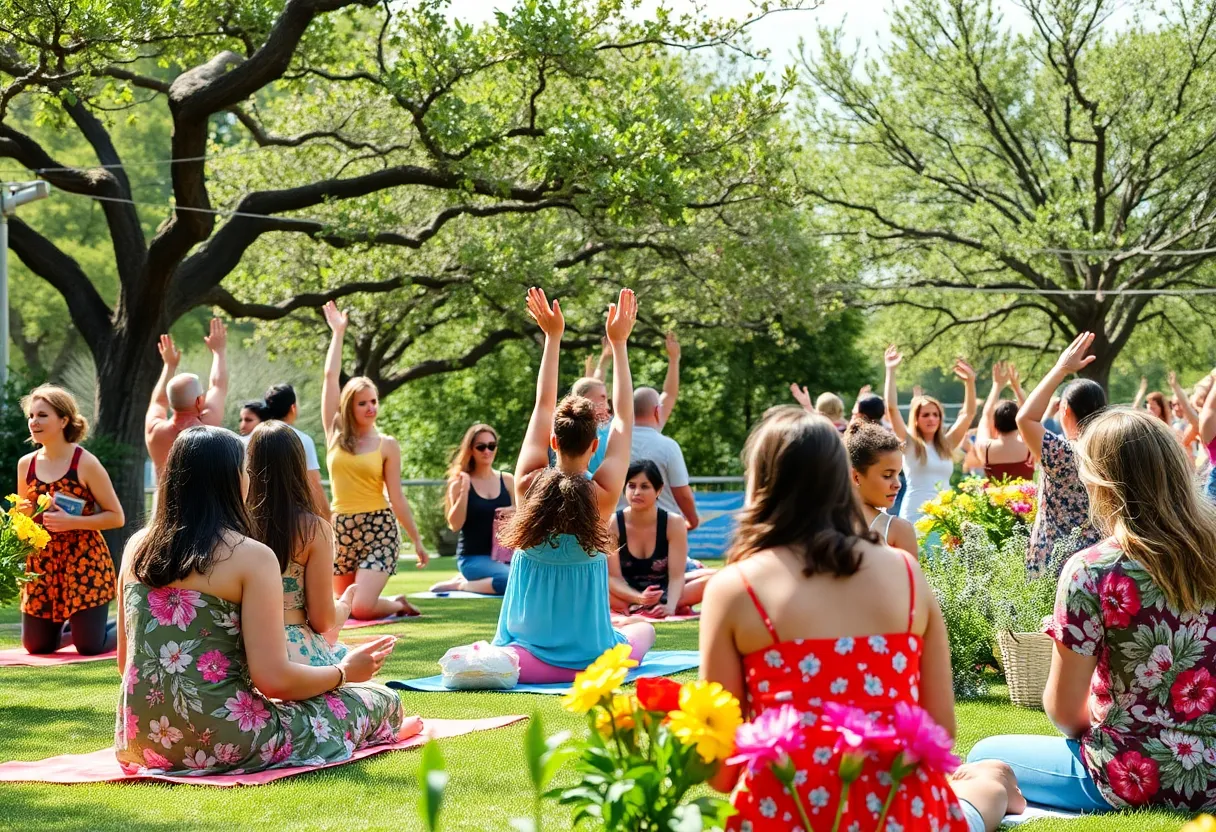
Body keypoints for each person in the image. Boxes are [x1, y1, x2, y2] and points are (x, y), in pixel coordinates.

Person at [700, 406, 1003, 832]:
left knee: (984, 791)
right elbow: (940, 732)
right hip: (901, 812)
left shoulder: (735, 589)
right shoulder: (906, 572)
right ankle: (993, 779)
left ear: (761, 482)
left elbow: (720, 772)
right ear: (845, 479)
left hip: (784, 816)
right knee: (982, 795)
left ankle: (992, 778)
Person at [115, 425, 406, 776]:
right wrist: (345, 673)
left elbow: (124, 664)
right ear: (234, 479)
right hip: (229, 739)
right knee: (381, 701)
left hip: (141, 740)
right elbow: (274, 680)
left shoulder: (136, 548)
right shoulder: (250, 555)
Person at [969, 408, 1216, 814]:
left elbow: (1066, 713)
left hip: (1134, 774)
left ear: (1100, 479)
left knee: (984, 752)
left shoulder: (1094, 569)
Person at [492, 287, 655, 683]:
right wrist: (619, 344)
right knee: (644, 630)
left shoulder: (528, 484)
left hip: (521, 657)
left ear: (553, 441)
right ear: (594, 445)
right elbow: (623, 421)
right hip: (592, 662)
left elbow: (542, 405)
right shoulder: (604, 496)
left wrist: (552, 338)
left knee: (495, 659)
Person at [321, 302, 429, 620]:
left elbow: (396, 497)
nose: (371, 408)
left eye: (374, 402)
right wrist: (338, 332)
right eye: (363, 403)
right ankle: (392, 600)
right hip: (341, 528)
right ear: (348, 407)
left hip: (378, 527)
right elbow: (329, 376)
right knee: (336, 609)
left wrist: (418, 541)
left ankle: (397, 605)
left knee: (362, 608)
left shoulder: (387, 445)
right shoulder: (335, 433)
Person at [18, 386, 125, 655]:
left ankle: (128, 626)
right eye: (31, 415)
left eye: (42, 415)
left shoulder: (85, 463)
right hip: (42, 564)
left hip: (84, 562)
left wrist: (72, 522)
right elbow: (23, 517)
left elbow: (117, 517)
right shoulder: (25, 464)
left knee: (90, 646)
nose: (34, 421)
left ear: (64, 420)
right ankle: (78, 629)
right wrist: (23, 517)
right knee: (36, 647)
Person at [246, 421, 350, 666]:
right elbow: (322, 620)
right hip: (293, 653)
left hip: (240, 649)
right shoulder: (314, 530)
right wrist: (345, 606)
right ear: (298, 466)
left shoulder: (236, 523)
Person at [1015, 333, 1107, 576]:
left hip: (1054, 561)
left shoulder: (1062, 454)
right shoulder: (1113, 451)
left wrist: (1061, 369)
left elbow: (1024, 418)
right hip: (1103, 560)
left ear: (1064, 410)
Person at [606, 460, 715, 616]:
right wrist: (639, 598)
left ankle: (656, 606)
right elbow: (613, 578)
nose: (636, 492)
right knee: (592, 585)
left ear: (658, 490)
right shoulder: (613, 523)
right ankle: (641, 606)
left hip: (665, 589)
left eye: (645, 486)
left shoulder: (674, 523)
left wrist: (670, 607)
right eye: (631, 485)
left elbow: (676, 576)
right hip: (626, 593)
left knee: (717, 580)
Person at [883, 346, 977, 524]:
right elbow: (892, 408)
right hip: (915, 515)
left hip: (945, 516)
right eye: (925, 415)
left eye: (936, 415)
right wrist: (890, 370)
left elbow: (968, 414)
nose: (932, 419)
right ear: (916, 419)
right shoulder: (909, 443)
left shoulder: (947, 444)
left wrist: (970, 382)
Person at [431, 424, 515, 596]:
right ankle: (460, 585)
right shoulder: (458, 483)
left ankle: (470, 582)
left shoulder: (507, 480)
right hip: (473, 559)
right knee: (509, 581)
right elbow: (455, 525)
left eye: (492, 446)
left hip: (506, 557)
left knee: (528, 579)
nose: (487, 451)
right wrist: (464, 491)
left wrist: (513, 510)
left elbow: (522, 516)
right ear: (471, 450)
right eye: (481, 447)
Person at [145, 319, 229, 477]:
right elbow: (218, 385)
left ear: (171, 403)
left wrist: (169, 365)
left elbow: (158, 401)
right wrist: (219, 351)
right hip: (203, 502)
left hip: (165, 502)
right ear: (199, 401)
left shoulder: (155, 432)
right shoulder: (210, 424)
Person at [624, 387, 699, 529]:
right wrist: (692, 520)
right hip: (662, 529)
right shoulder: (668, 446)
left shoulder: (616, 444)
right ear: (657, 411)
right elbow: (682, 493)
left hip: (624, 528)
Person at [845, 421, 917, 556]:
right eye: (887, 475)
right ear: (856, 477)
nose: (897, 484)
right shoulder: (897, 530)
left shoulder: (821, 521)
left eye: (898, 474)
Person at [262, 383, 330, 517]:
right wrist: (327, 518)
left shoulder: (252, 439)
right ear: (293, 408)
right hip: (294, 517)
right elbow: (313, 483)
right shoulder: (302, 440)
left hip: (260, 516)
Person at [975, 362, 1034, 482]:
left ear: (995, 423)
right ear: (1018, 422)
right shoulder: (1030, 446)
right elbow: (1030, 415)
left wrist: (996, 386)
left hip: (994, 501)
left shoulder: (985, 448)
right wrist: (1017, 388)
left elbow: (986, 417)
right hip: (1026, 501)